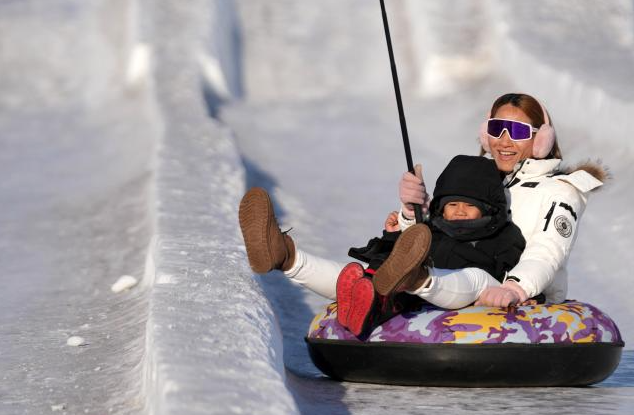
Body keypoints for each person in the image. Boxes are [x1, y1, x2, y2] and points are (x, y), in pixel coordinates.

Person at [237, 92, 605, 318]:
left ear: (541, 141)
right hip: (451, 277)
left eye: (520, 132)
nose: (504, 141)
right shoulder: (478, 178)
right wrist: (412, 213)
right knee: (367, 279)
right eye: (496, 129)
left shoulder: (560, 190)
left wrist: (514, 289)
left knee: (474, 281)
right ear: (484, 133)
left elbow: (546, 252)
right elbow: (445, 235)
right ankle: (285, 256)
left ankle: (414, 277)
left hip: (517, 295)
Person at [335, 154, 526, 336]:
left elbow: (514, 269)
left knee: (418, 279)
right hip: (418, 296)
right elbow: (404, 255)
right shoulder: (432, 230)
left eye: (469, 205)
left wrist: (518, 293)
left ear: (487, 209)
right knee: (389, 261)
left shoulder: (503, 235)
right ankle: (366, 296)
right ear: (441, 209)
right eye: (452, 205)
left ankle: (380, 299)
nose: (460, 211)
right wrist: (392, 236)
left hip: (466, 292)